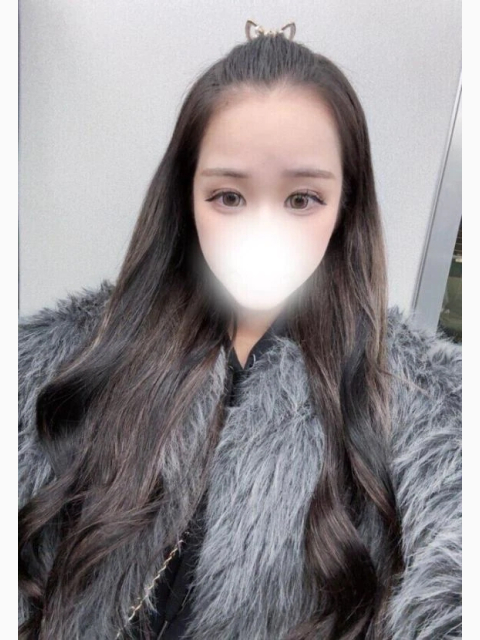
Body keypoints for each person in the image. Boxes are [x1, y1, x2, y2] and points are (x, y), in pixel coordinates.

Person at [18, 21, 462, 640]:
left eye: (302, 199)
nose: (263, 230)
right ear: (186, 197)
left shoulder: (425, 403)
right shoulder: (61, 360)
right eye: (228, 196)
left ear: (345, 205)